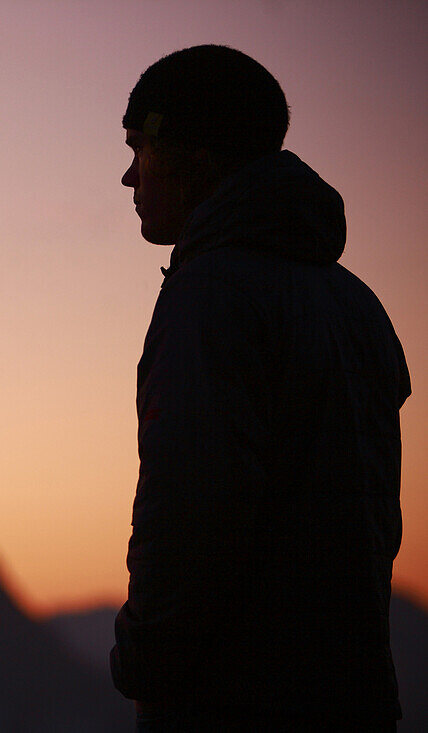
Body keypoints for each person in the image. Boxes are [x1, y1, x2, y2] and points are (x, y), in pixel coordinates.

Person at [110, 45, 410, 732]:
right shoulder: (356, 304)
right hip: (356, 695)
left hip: (234, 703)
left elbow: (190, 504)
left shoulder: (210, 296)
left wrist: (143, 661)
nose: (129, 176)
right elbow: (376, 525)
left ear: (194, 157)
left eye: (139, 148)